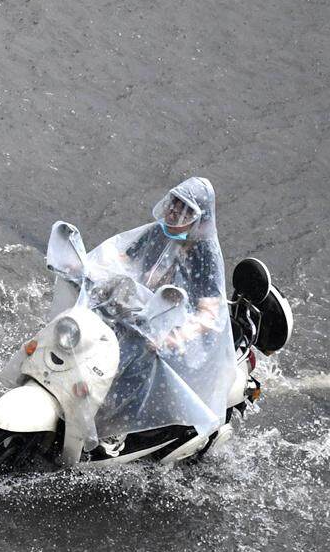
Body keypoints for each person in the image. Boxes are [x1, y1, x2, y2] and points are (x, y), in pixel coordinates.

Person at [75, 177, 231, 456]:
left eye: (185, 209)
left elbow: (209, 315)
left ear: (199, 218)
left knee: (138, 356)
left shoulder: (204, 253)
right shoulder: (158, 233)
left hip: (183, 334)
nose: (174, 212)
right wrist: (92, 274)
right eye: (174, 203)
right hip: (146, 315)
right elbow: (123, 262)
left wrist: (175, 336)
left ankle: (117, 429)